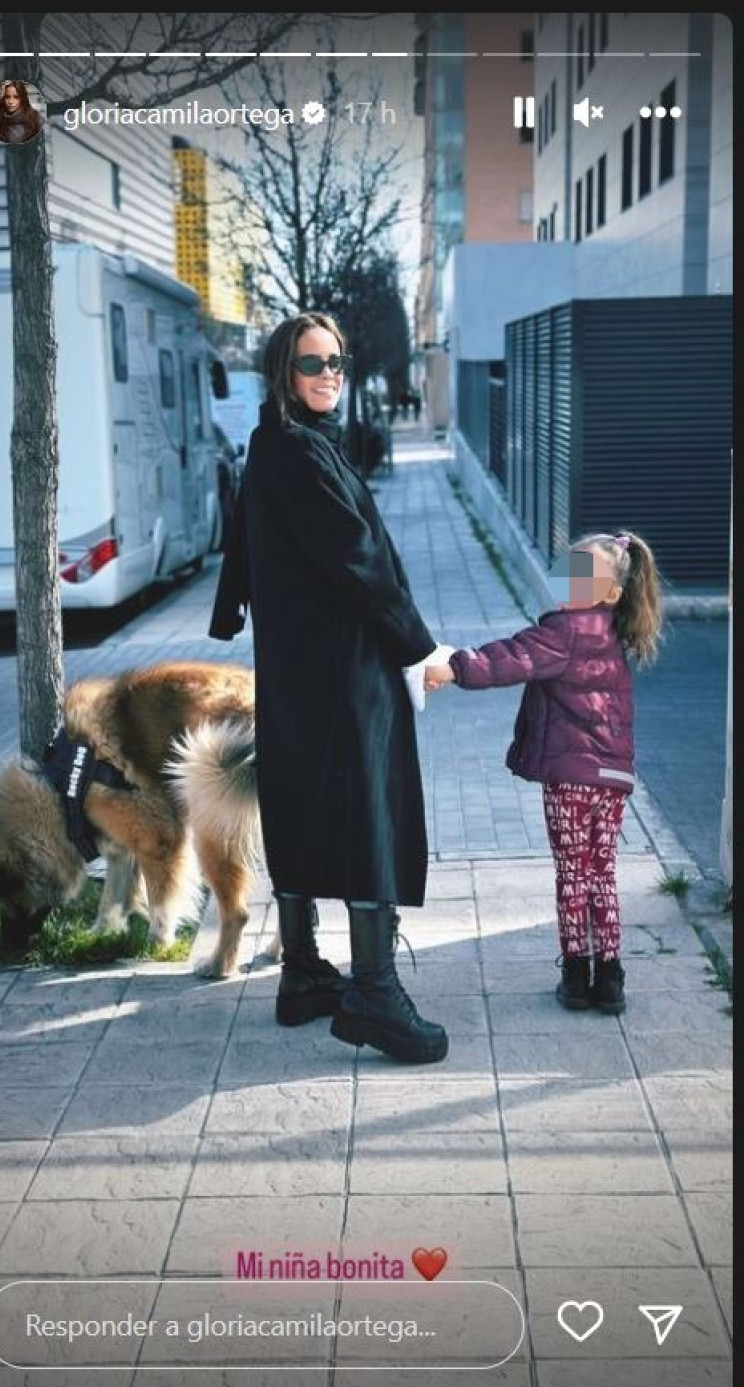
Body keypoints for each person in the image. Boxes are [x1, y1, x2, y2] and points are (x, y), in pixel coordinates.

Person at [209, 311, 449, 1063]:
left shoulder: (277, 444)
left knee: (303, 802)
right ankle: (374, 994)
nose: (329, 375)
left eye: (338, 362)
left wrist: (234, 616)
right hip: (345, 671)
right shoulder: (298, 454)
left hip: (298, 667)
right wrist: (421, 648)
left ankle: (306, 976)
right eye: (313, 364)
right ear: (285, 371)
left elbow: (244, 546)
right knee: (368, 813)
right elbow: (361, 563)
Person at [425, 532, 664, 1014]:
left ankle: (576, 976)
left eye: (584, 574)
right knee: (602, 874)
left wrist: (454, 667)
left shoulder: (566, 631)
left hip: (572, 779)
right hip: (613, 779)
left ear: (610, 592)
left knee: (573, 874)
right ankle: (611, 978)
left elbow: (511, 658)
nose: (571, 579)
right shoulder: (613, 630)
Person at [0, 80, 43, 145]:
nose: (11, 101)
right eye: (7, 97)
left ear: (22, 98)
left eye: (16, 97)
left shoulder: (36, 118)